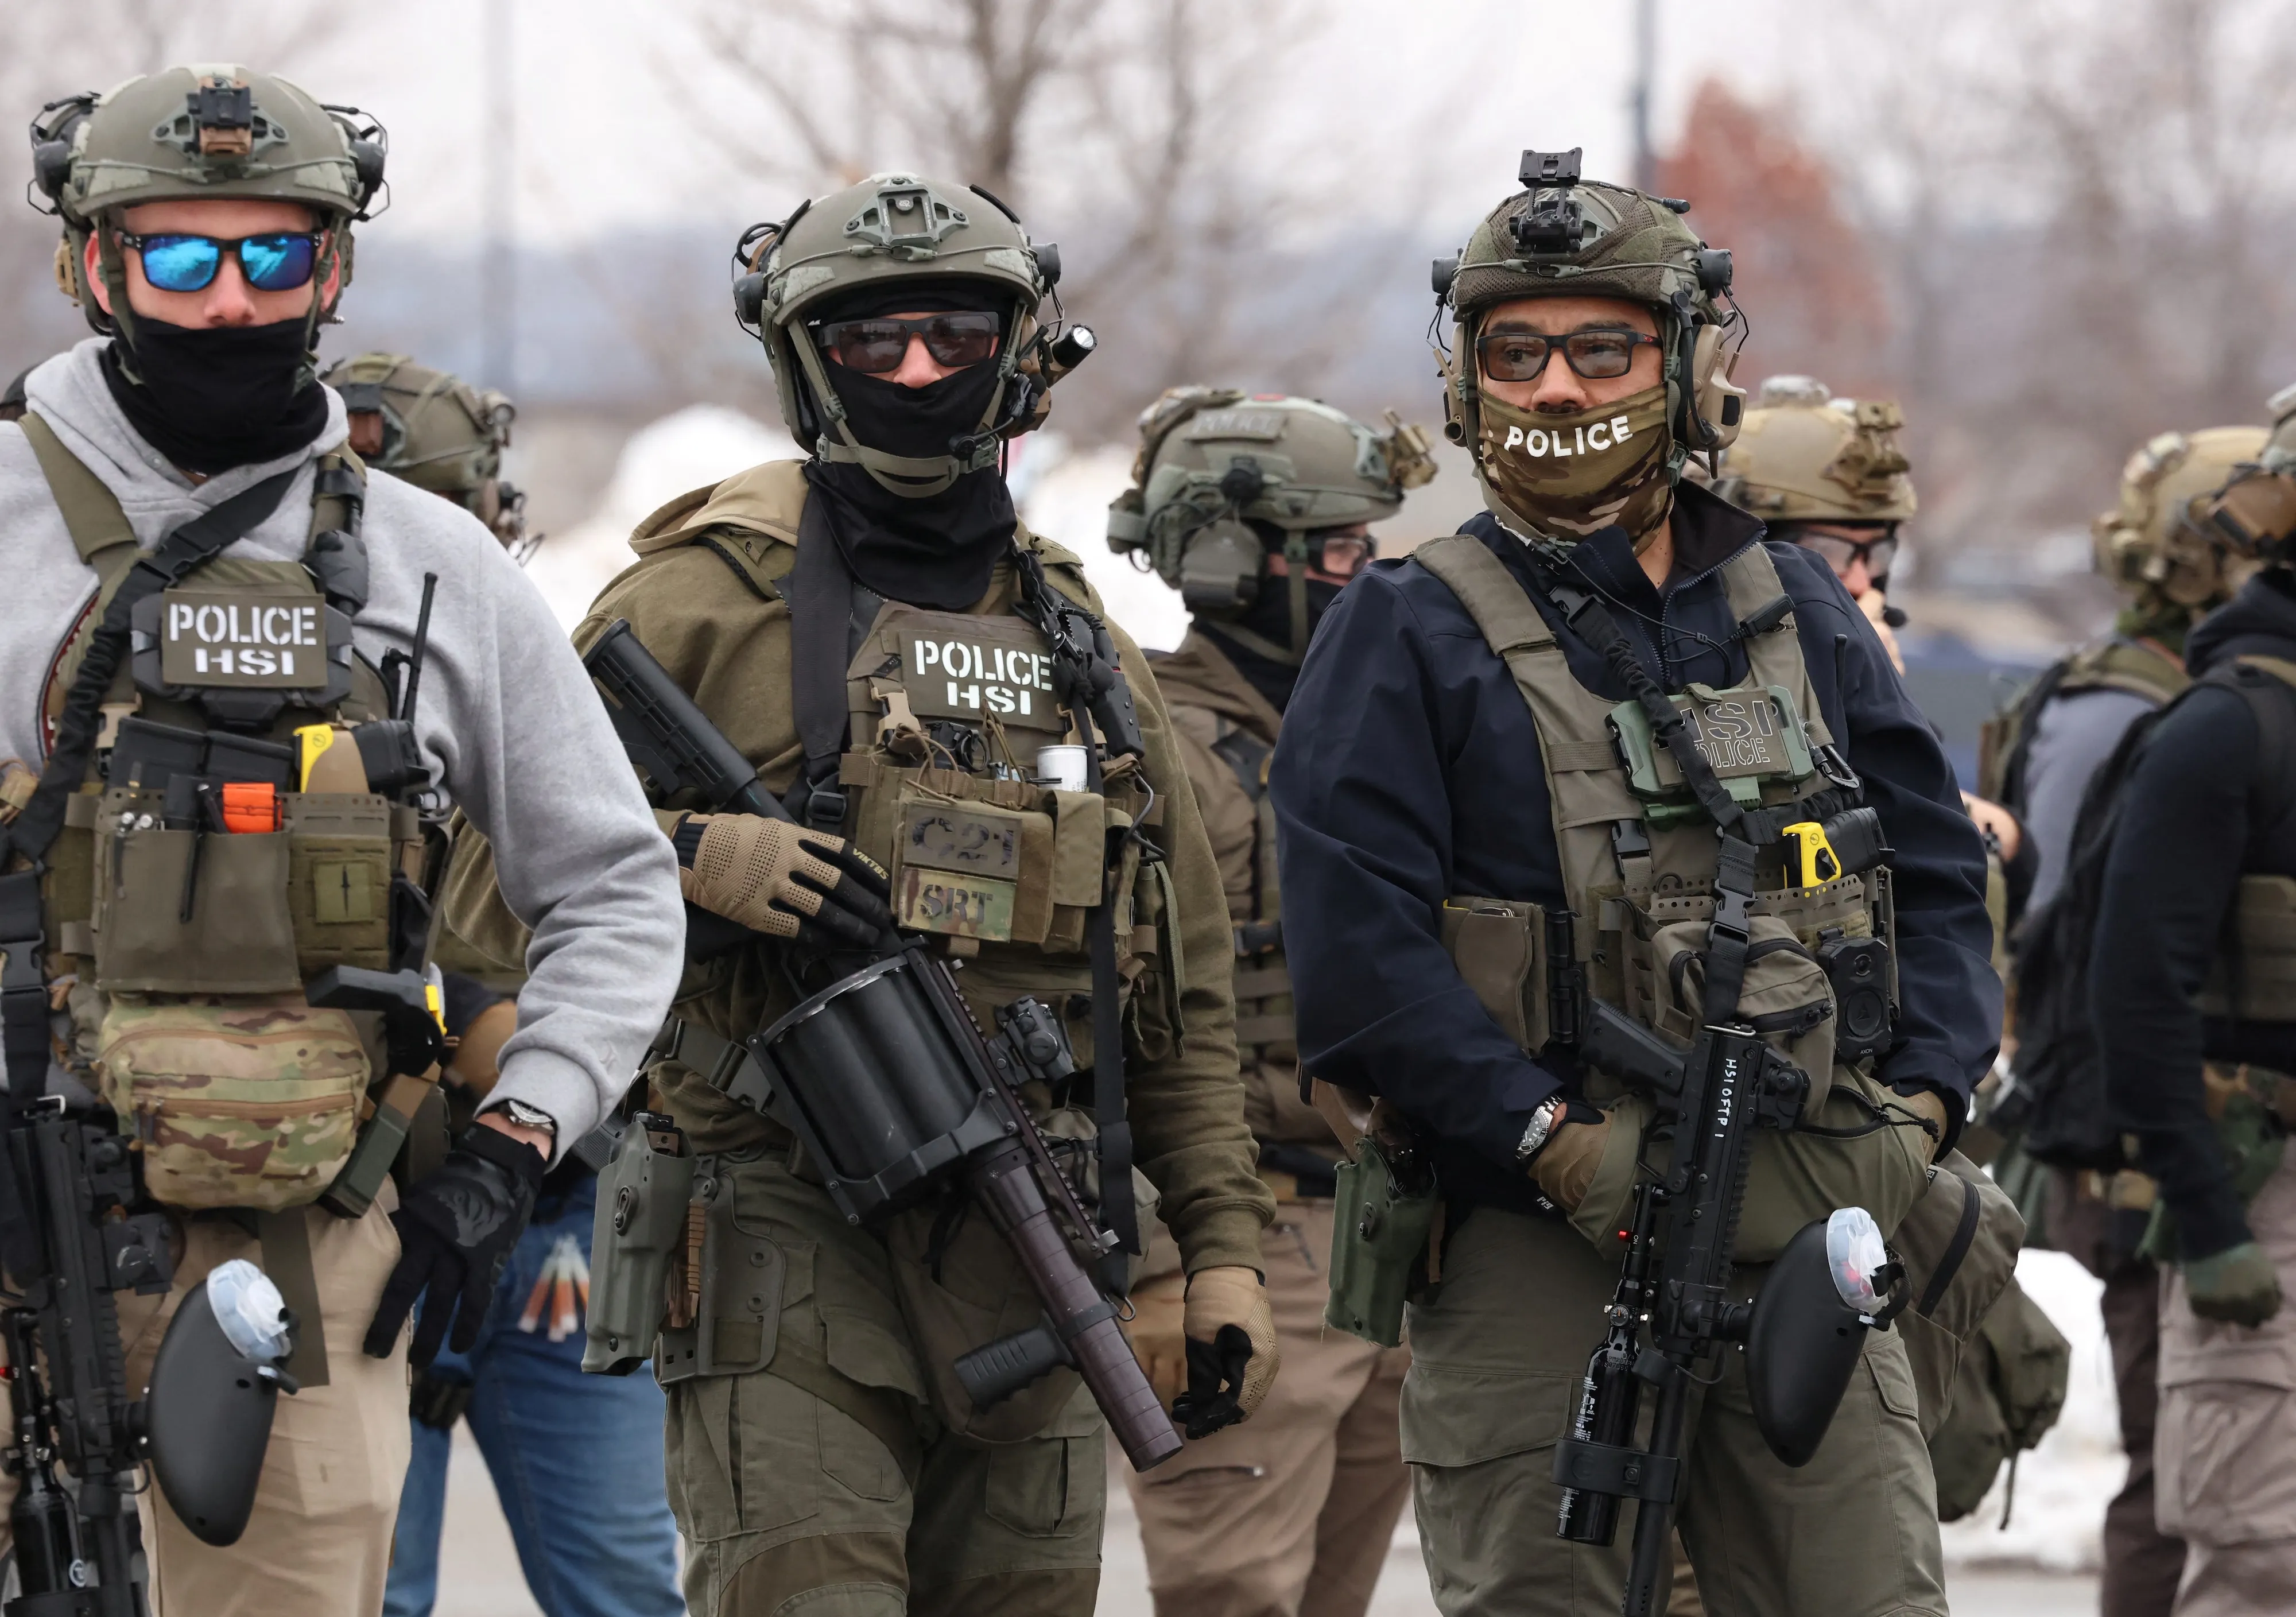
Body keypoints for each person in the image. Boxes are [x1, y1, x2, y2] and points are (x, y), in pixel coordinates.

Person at [447, 169, 1275, 1616]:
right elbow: (469, 877)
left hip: (1039, 1233)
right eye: (868, 343)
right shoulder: (693, 602)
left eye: (953, 339)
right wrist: (698, 859)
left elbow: (1179, 993)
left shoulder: (1083, 640)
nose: (913, 374)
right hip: (780, 1227)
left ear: (1016, 350)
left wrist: (1213, 1252)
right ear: (799, 360)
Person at [1270, 154, 1998, 1616]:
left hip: (1806, 1217)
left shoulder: (1792, 609)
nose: (1553, 387)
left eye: (1600, 347)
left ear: (1679, 361)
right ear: (1468, 376)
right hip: (1537, 1231)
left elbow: (1930, 877)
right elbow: (1359, 964)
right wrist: (1545, 1140)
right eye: (1514, 351)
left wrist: (1917, 1115)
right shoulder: (1403, 631)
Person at [0, 67, 682, 1616]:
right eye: (181, 257)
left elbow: (617, 889)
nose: (229, 301)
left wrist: (516, 1146)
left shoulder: (438, 566)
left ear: (335, 270)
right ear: (95, 264)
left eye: (274, 256)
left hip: (305, 1256)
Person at [311, 352, 681, 1617]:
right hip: (356, 1210)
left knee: (617, 1581)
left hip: (549, 1217)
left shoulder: (557, 687)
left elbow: (629, 922)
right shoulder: (260, 700)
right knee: (364, 1578)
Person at [1105, 387, 1434, 1617]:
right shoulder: (1153, 748)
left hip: (1383, 1237)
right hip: (1251, 1247)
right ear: (1236, 558)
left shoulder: (1363, 729)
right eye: (1342, 552)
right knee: (1231, 1591)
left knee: (1331, 1595)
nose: (1368, 577)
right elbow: (1103, 1034)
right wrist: (1163, 1256)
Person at [1983, 421, 2269, 1616]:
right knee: (2185, 1482)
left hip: (2186, 1148)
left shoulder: (2196, 692)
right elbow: (2075, 944)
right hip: (2157, 1160)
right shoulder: (2131, 710)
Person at [2093, 386, 2296, 1617]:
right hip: (2258, 1195)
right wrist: (2207, 1214)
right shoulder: (2224, 730)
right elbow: (2135, 991)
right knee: (2258, 1556)